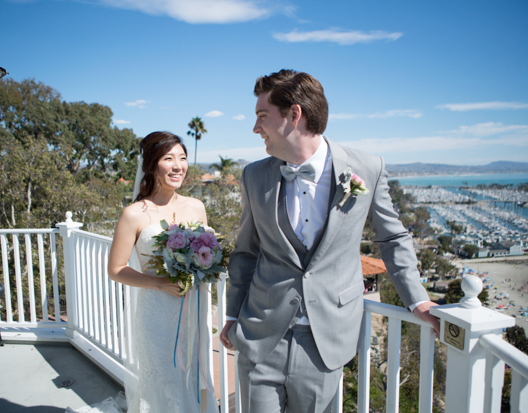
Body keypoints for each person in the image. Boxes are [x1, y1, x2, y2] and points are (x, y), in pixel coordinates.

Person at [219, 70, 440, 413]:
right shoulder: (254, 175)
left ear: (294, 114)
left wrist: (418, 301)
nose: (255, 127)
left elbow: (392, 236)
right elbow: (247, 251)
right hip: (261, 334)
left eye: (262, 116)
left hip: (325, 341)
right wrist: (232, 314)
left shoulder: (368, 168)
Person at [107, 131, 218, 413]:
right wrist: (158, 283)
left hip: (193, 308)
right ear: (152, 164)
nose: (178, 165)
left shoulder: (196, 206)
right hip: (156, 314)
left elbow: (207, 254)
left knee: (194, 375)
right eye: (169, 158)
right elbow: (116, 269)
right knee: (163, 381)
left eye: (182, 158)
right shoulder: (134, 214)